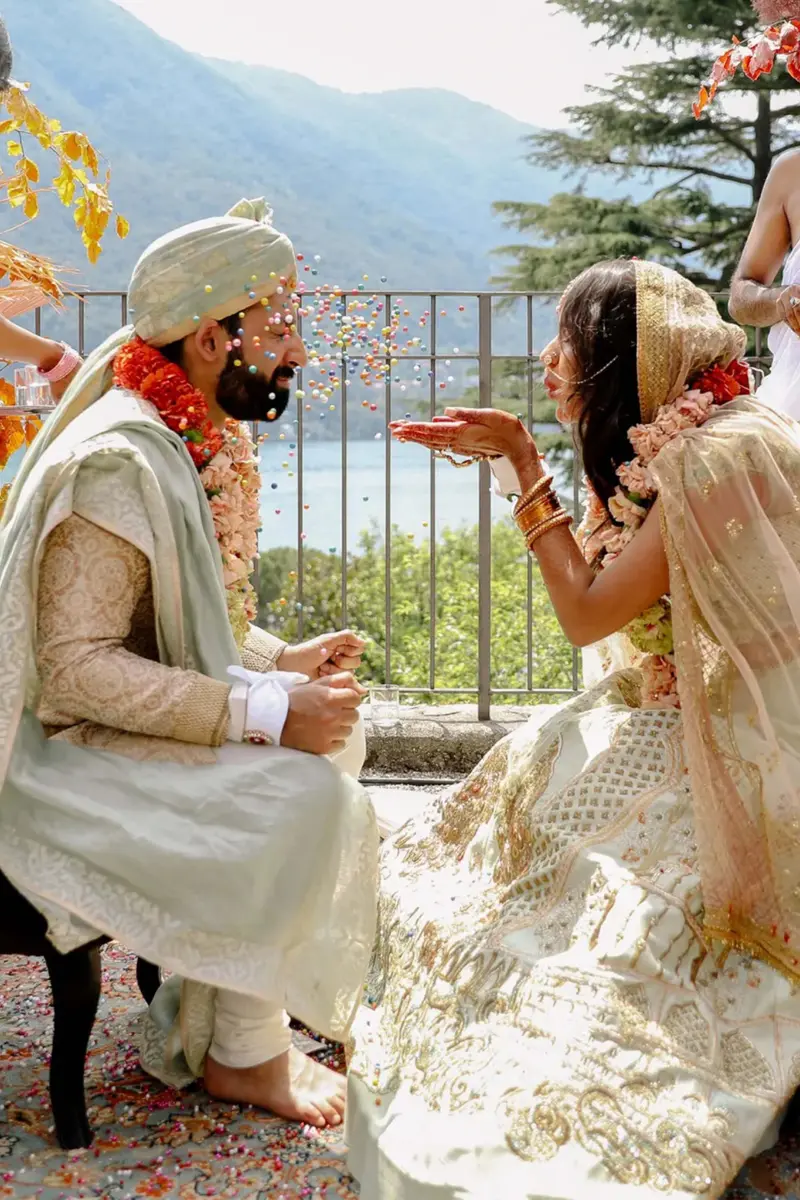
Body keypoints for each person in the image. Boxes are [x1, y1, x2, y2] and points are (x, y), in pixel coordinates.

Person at [344, 259, 800, 1199]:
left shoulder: (709, 459)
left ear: (623, 361)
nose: (549, 362)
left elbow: (589, 614)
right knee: (506, 811)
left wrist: (524, 468)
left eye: (568, 344)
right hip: (679, 705)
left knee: (585, 890)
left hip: (737, 735)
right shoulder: (691, 436)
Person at [0, 198, 379, 1130]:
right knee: (301, 793)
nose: (296, 353)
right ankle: (243, 1053)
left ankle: (244, 1008)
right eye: (278, 331)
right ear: (211, 340)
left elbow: (167, 620)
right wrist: (265, 712)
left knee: (335, 735)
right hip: (54, 764)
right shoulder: (117, 461)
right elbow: (77, 671)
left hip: (100, 733)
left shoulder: (176, 436)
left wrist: (279, 664)